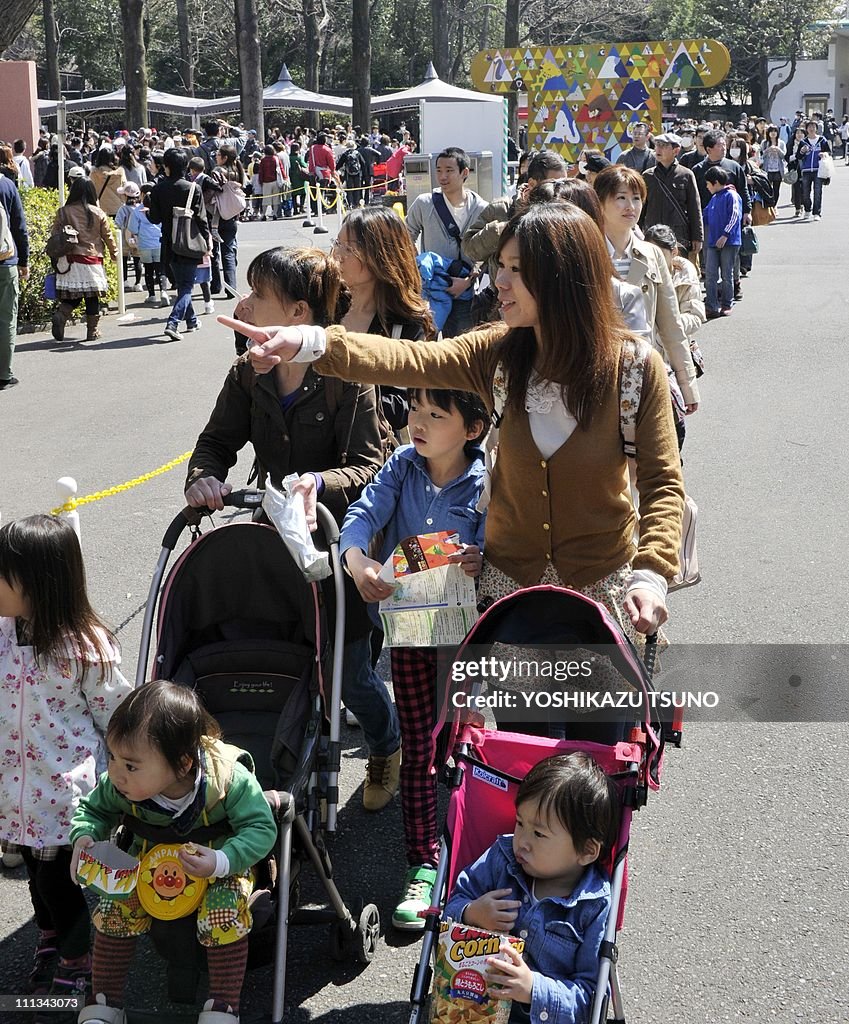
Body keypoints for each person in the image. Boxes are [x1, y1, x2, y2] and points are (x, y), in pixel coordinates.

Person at [229, 202, 686, 654]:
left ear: (562, 277)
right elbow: (410, 360)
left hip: (603, 589)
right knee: (516, 726)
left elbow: (663, 484)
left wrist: (650, 576)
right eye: (499, 266)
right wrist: (308, 341)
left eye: (517, 270)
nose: (499, 282)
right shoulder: (498, 353)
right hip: (510, 590)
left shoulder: (634, 368)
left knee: (598, 725)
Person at [187, 247, 400, 811]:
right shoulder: (247, 373)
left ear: (298, 312)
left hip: (338, 539)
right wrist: (204, 479)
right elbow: (215, 444)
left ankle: (386, 745)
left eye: (260, 295)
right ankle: (292, 761)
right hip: (273, 536)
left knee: (351, 673)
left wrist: (315, 484)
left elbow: (369, 467)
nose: (246, 303)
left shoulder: (347, 377)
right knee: (283, 655)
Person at [340, 387, 487, 929]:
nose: (417, 424)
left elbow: (503, 542)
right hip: (407, 633)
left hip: (464, 638)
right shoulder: (401, 466)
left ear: (472, 429)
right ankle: (423, 863)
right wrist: (358, 561)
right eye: (416, 412)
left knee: (463, 742)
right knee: (422, 746)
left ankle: (470, 848)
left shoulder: (487, 479)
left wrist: (481, 554)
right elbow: (361, 515)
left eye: (435, 415)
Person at [69, 680, 277, 1024]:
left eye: (130, 765)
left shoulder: (228, 781)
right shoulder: (120, 785)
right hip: (147, 863)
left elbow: (261, 828)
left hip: (216, 866)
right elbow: (92, 811)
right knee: (113, 909)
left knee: (222, 913)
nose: (116, 773)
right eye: (112, 757)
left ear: (182, 765)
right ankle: (104, 1001)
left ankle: (223, 1005)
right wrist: (85, 837)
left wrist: (221, 860)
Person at [0, 515, 132, 1018]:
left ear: (38, 583)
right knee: (35, 873)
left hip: (62, 792)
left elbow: (116, 714)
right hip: (14, 786)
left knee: (60, 881)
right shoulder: (5, 633)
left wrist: (126, 775)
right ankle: (53, 934)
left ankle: (80, 955)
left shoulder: (85, 647)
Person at [443, 753, 617, 1024]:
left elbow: (591, 1000)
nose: (522, 841)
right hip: (473, 1005)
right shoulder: (501, 859)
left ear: (586, 851)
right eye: (520, 822)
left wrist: (534, 989)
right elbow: (448, 913)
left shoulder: (594, 905)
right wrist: (470, 913)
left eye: (538, 834)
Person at [594, 166, 700, 418]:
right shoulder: (586, 252)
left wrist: (687, 384)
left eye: (636, 198)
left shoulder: (651, 253)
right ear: (599, 202)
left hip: (645, 370)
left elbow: (670, 323)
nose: (630, 205)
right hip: (598, 375)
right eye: (620, 197)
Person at [332, 206, 435, 431]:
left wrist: (341, 388)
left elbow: (403, 406)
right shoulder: (326, 306)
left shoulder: (405, 324)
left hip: (371, 456)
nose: (337, 256)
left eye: (349, 248)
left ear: (380, 256)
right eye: (337, 243)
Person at [463, 150, 567, 322]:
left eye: (563, 182)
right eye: (554, 183)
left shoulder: (566, 215)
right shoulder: (501, 209)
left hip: (550, 309)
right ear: (532, 183)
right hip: (503, 309)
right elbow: (469, 248)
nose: (560, 190)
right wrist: (502, 231)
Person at [406, 146, 489, 336]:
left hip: (464, 291)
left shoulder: (481, 208)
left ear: (464, 172)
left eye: (449, 171)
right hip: (431, 290)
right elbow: (405, 236)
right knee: (425, 345)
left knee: (461, 348)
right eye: (439, 170)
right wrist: (420, 268)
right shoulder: (424, 203)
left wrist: (468, 281)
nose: (443, 176)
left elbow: (488, 250)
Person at [642, 223, 706, 450]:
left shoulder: (685, 273)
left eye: (661, 254)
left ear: (674, 252)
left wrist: (668, 321)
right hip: (646, 359)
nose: (654, 259)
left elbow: (697, 316)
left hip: (673, 359)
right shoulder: (637, 269)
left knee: (674, 430)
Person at [148, 147, 211, 342]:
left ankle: (191, 321)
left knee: (182, 284)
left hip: (168, 243)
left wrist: (149, 209)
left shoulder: (158, 188)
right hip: (191, 242)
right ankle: (173, 323)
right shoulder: (193, 188)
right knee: (186, 286)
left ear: (166, 166)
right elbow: (201, 219)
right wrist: (207, 239)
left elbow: (155, 218)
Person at [50, 178, 117, 343]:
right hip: (91, 258)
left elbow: (54, 235)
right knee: (92, 295)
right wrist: (114, 253)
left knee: (73, 294)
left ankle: (61, 314)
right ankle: (92, 331)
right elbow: (107, 236)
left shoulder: (63, 212)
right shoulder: (98, 212)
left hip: (69, 259)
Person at [640, 133, 703, 266]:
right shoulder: (648, 176)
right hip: (653, 234)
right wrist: (637, 232)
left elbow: (694, 208)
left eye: (663, 146)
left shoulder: (686, 175)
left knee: (678, 272)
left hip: (679, 235)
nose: (658, 149)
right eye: (657, 145)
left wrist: (697, 237)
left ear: (676, 150)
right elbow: (641, 207)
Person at [0, 170, 28, 390]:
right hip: (5, 262)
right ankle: (4, 374)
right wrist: (23, 261)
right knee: (6, 319)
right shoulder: (7, 186)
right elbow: (19, 226)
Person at [702, 166, 742, 318]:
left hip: (730, 241)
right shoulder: (714, 198)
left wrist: (725, 234)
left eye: (708, 183)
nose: (707, 186)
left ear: (716, 182)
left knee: (727, 274)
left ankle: (727, 303)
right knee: (710, 274)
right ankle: (711, 305)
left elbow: (735, 216)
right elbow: (704, 215)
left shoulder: (731, 195)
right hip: (713, 241)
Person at [127, 185, 167, 307]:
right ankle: (163, 292)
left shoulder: (137, 211)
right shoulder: (161, 208)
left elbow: (132, 228)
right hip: (159, 242)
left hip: (144, 244)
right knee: (160, 269)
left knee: (149, 269)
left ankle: (152, 295)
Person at [795, 118, 830, 221]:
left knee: (818, 192)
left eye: (813, 127)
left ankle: (817, 213)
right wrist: (802, 151)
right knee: (805, 192)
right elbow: (798, 156)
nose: (811, 129)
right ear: (807, 129)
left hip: (818, 170)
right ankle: (807, 210)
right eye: (809, 127)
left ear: (816, 129)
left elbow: (828, 152)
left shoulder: (822, 140)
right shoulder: (803, 142)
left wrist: (824, 154)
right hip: (806, 170)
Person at [114, 182, 143, 292]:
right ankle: (138, 283)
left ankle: (125, 281)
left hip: (124, 237)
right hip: (138, 237)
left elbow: (117, 223)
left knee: (124, 259)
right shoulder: (140, 208)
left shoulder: (123, 209)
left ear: (126, 196)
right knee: (137, 260)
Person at [88, 148, 127, 218]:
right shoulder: (120, 172)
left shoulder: (94, 173)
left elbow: (90, 190)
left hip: (100, 207)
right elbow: (124, 188)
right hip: (117, 207)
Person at [759, 125, 786, 206]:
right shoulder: (764, 143)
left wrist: (778, 150)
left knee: (776, 189)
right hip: (767, 169)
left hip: (778, 169)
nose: (773, 133)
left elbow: (783, 155)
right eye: (771, 131)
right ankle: (768, 204)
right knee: (767, 188)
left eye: (775, 131)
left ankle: (774, 205)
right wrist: (768, 150)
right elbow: (761, 155)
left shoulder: (781, 143)